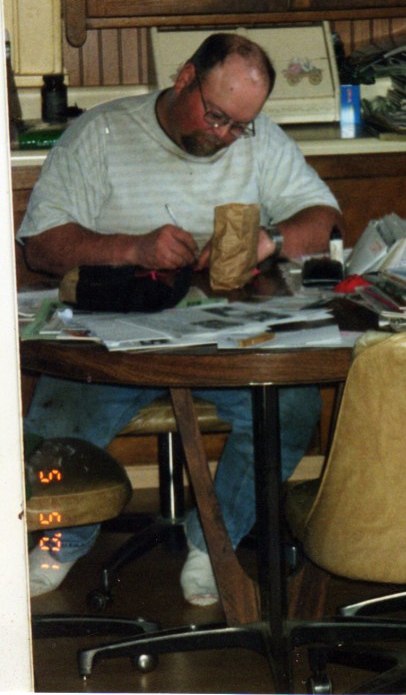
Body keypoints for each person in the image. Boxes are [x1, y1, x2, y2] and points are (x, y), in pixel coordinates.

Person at [18, 32, 343, 606]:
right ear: (185, 77)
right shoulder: (103, 133)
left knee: (291, 408)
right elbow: (41, 246)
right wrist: (130, 250)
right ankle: (55, 549)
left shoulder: (255, 138)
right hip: (114, 341)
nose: (222, 137)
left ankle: (211, 543)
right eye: (215, 116)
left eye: (237, 126)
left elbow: (322, 220)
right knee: (55, 423)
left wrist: (269, 240)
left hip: (226, 338)